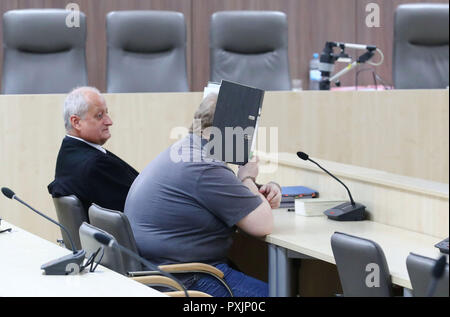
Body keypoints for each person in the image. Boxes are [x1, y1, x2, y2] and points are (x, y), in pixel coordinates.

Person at [124, 93, 281, 297]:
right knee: (281, 292)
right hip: (186, 279)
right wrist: (247, 178)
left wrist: (258, 187)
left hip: (160, 272)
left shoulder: (186, 150)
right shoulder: (205, 165)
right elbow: (263, 225)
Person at [48, 86, 138, 212]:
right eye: (100, 115)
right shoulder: (96, 164)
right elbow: (141, 203)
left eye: (107, 113)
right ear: (76, 122)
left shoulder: (69, 152)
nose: (109, 121)